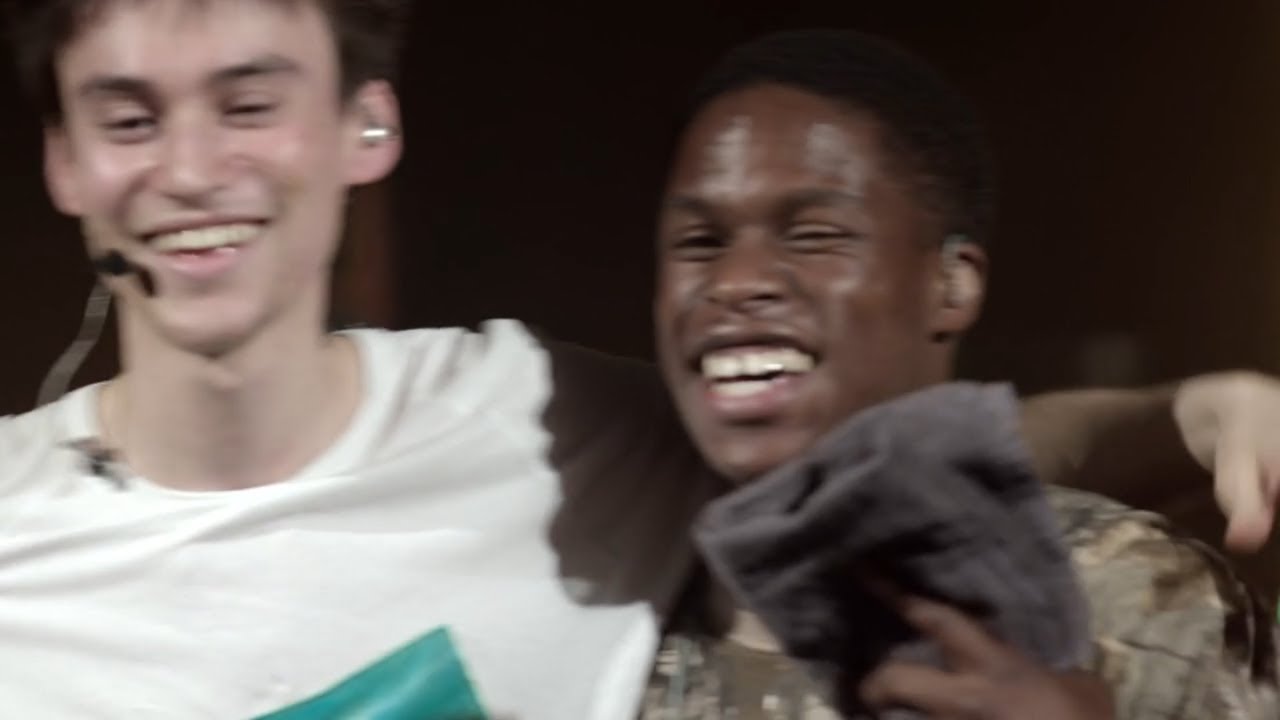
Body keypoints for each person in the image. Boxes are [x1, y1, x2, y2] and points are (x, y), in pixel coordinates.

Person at [1, 3, 1277, 718]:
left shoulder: (537, 420)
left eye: (249, 101)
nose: (189, 167)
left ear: (365, 125)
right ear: (64, 159)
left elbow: (861, 444)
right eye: (128, 115)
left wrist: (1180, 413)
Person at [641, 29, 1279, 720]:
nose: (735, 281)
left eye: (815, 234)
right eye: (699, 242)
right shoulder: (602, 571)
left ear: (951, 285)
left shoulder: (1129, 602)